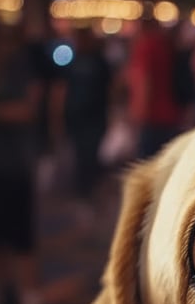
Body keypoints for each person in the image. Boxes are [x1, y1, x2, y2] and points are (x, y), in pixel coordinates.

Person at [0, 21, 46, 304]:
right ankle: (5, 294)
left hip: (15, 165)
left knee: (20, 234)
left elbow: (28, 109)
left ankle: (30, 297)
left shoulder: (20, 68)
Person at [52, 25, 112, 221]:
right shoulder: (72, 62)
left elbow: (109, 89)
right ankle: (83, 195)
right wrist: (58, 117)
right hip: (77, 118)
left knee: (90, 157)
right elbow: (61, 89)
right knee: (80, 157)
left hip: (94, 118)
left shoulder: (99, 61)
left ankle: (89, 194)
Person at [126, 13, 183, 159]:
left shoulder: (145, 47)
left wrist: (137, 114)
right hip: (170, 114)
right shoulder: (165, 45)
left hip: (152, 117)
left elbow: (144, 83)